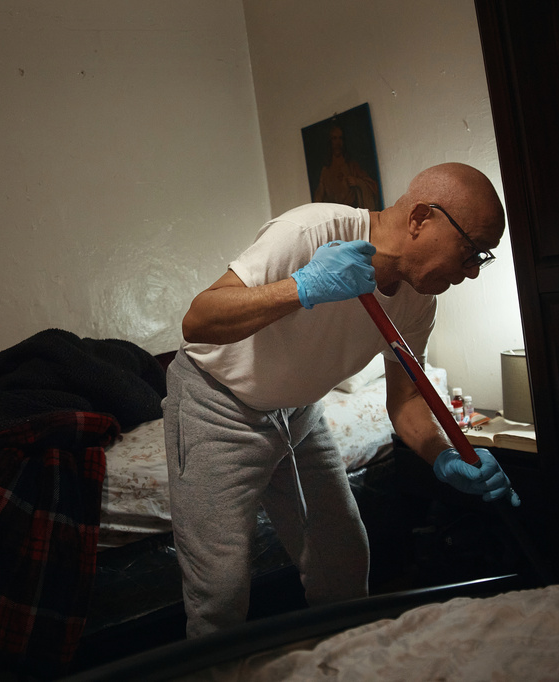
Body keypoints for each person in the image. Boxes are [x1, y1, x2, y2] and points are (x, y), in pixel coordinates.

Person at [162, 162, 519, 639]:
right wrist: (302, 287)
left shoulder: (417, 302)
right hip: (218, 405)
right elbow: (198, 320)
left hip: (299, 414)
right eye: (471, 251)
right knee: (220, 594)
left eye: (483, 258)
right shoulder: (311, 231)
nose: (472, 272)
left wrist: (443, 455)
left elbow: (407, 401)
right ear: (420, 219)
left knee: (343, 564)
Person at [312, 123, 380, 210]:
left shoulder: (352, 166)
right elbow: (319, 199)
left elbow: (373, 187)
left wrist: (358, 182)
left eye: (340, 138)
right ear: (330, 142)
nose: (338, 143)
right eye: (334, 138)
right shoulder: (325, 171)